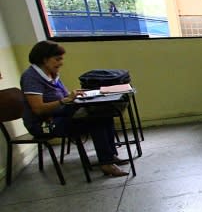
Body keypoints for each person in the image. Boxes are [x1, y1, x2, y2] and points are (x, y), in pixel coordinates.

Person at [20, 40, 128, 177]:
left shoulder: (51, 73)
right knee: (96, 120)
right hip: (45, 124)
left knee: (104, 113)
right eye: (57, 59)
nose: (61, 63)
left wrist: (76, 96)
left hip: (60, 115)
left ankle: (110, 156)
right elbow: (38, 109)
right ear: (44, 59)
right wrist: (64, 100)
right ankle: (106, 163)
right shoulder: (31, 77)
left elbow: (65, 98)